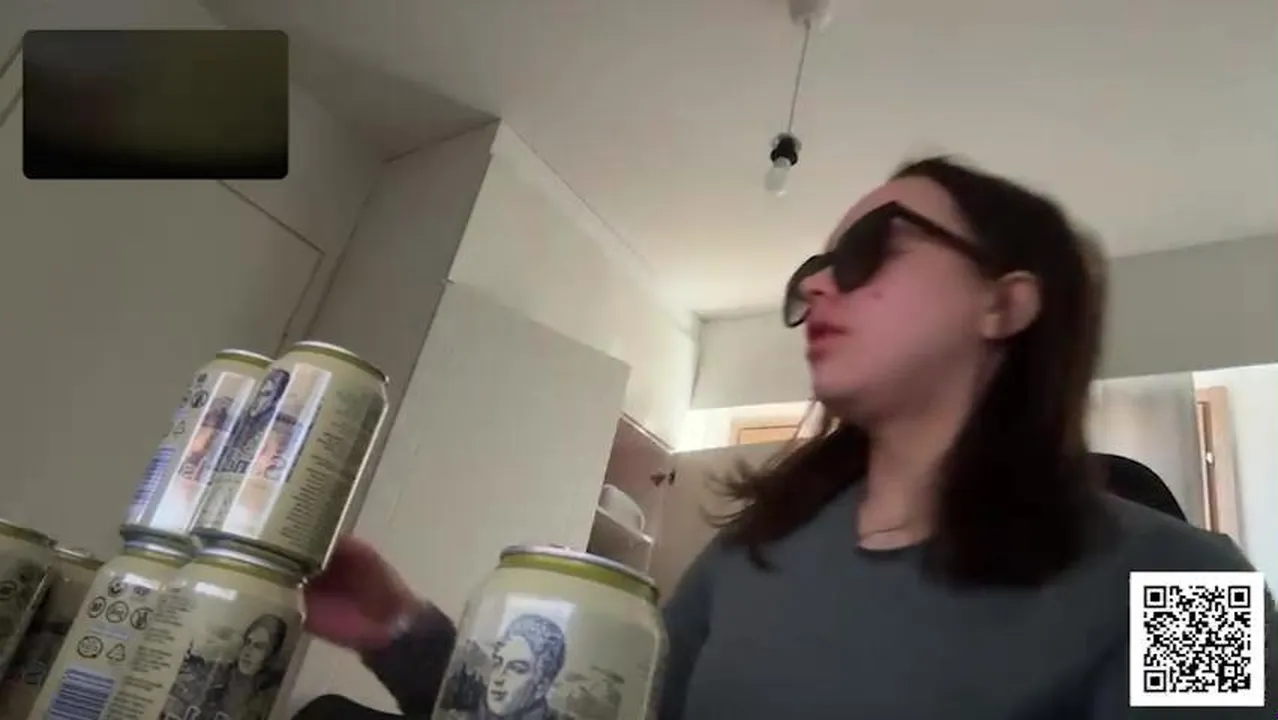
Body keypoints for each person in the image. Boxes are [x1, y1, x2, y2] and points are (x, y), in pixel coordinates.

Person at [302, 156, 1277, 719]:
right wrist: (403, 633)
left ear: (1004, 301)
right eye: (811, 266)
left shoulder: (1195, 585)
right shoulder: (753, 552)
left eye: (867, 250)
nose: (814, 284)